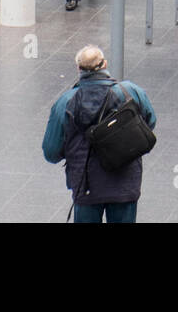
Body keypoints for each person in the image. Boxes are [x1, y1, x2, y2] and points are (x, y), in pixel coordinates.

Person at [42, 45, 156, 223]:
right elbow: (150, 122)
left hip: (86, 185)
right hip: (125, 182)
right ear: (105, 64)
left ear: (79, 69)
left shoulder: (65, 102)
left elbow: (51, 152)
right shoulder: (130, 92)